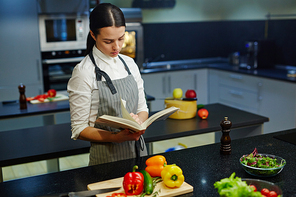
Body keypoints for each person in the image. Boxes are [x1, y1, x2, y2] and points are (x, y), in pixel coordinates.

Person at [67, 3, 148, 165]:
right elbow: (79, 129)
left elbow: (142, 108)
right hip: (106, 161)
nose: (117, 47)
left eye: (121, 38)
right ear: (93, 35)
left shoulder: (130, 64)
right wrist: (115, 138)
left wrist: (139, 123)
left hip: (139, 153)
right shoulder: (83, 72)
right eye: (108, 41)